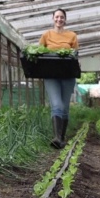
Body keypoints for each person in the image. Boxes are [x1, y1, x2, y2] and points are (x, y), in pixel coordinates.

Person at [39, 8, 79, 149]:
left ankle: (61, 138)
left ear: (65, 19)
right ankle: (56, 137)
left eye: (62, 17)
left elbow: (75, 55)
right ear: (53, 18)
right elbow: (40, 53)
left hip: (67, 75)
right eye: (57, 17)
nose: (59, 19)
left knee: (65, 107)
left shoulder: (72, 36)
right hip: (51, 75)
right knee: (57, 105)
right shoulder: (46, 35)